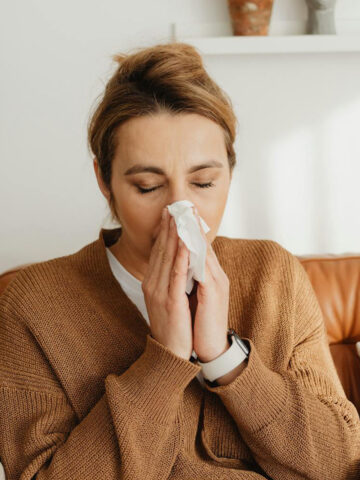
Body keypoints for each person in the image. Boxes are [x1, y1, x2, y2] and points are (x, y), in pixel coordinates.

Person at [0, 41, 359, 480]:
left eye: (204, 182)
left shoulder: (273, 274)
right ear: (104, 180)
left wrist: (225, 357)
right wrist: (165, 359)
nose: (179, 211)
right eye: (149, 187)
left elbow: (341, 463)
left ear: (230, 172)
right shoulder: (30, 305)